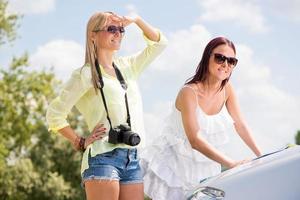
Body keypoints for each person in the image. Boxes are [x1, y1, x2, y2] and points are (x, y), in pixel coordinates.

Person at [46, 11, 167, 200]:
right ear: (93, 35)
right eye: (111, 29)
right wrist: (79, 141)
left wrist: (135, 20)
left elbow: (160, 44)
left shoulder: (128, 67)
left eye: (120, 30)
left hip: (132, 157)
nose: (118, 33)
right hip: (102, 156)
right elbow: (54, 115)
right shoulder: (85, 75)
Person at [140, 37, 262, 200]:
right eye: (220, 58)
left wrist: (261, 156)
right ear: (207, 57)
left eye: (232, 61)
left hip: (204, 165)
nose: (226, 64)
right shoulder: (188, 92)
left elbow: (240, 124)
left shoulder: (227, 90)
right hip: (173, 167)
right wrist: (232, 164)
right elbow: (195, 140)